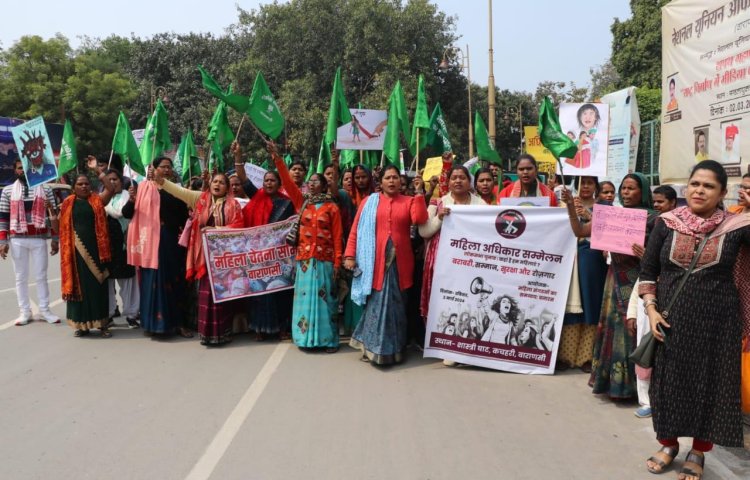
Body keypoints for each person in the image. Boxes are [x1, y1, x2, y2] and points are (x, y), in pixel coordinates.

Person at [639, 160, 750, 478]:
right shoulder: (667, 222)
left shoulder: (737, 227)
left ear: (723, 194)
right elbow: (649, 271)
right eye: (695, 184)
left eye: (709, 186)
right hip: (671, 321)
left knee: (711, 387)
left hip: (720, 324)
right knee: (667, 386)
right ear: (687, 187)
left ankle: (699, 451)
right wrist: (651, 310)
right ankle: (668, 444)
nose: (700, 190)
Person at [562, 173, 655, 399]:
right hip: (614, 279)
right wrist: (569, 208)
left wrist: (646, 255)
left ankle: (637, 388)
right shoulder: (613, 214)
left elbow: (660, 254)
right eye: (623, 188)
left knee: (633, 331)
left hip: (637, 282)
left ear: (642, 192)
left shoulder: (654, 219)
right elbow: (580, 232)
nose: (625, 192)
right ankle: (613, 383)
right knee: (614, 331)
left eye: (631, 188)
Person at [344, 164, 428, 365]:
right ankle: (372, 348)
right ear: (380, 183)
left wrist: (418, 193)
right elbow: (356, 229)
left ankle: (395, 350)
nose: (392, 181)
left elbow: (419, 219)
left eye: (395, 178)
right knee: (376, 304)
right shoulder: (369, 202)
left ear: (401, 182)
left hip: (401, 263)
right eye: (388, 178)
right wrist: (349, 255)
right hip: (374, 262)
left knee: (397, 308)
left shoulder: (408, 201)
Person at [156, 171, 244, 346]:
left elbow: (239, 225)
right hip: (203, 255)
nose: (217, 185)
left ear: (227, 188)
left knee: (221, 294)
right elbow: (179, 191)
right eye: (215, 181)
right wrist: (161, 181)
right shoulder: (200, 199)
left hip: (223, 257)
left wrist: (216, 230)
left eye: (221, 182)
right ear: (210, 184)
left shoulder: (234, 205)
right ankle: (207, 334)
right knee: (206, 293)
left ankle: (222, 333)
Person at [123, 157, 191, 338]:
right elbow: (127, 213)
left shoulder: (176, 190)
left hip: (170, 241)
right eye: (163, 167)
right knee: (152, 281)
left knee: (174, 280)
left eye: (169, 167)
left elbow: (184, 217)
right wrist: (131, 200)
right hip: (149, 242)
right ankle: (153, 324)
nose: (167, 170)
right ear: (154, 169)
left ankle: (179, 323)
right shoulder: (143, 188)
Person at [237, 143, 296, 340]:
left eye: (272, 181)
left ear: (279, 184)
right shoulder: (257, 196)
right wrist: (238, 156)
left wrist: (277, 157)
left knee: (279, 291)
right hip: (258, 257)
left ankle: (281, 328)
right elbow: (243, 178)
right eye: (266, 180)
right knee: (259, 293)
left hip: (279, 258)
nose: (269, 183)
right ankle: (260, 328)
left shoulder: (287, 203)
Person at [286, 172, 343, 352]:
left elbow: (337, 236)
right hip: (304, 262)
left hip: (325, 260)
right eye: (309, 181)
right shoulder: (303, 203)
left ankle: (329, 340)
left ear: (324, 186)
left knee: (326, 301)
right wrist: (276, 158)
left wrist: (337, 262)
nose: (311, 184)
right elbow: (287, 183)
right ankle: (304, 339)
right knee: (304, 301)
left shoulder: (332, 207)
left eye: (316, 181)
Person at [419, 165, 484, 320]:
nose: (458, 181)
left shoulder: (481, 205)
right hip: (441, 262)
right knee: (442, 298)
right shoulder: (438, 203)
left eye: (462, 177)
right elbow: (424, 231)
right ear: (448, 182)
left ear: (469, 182)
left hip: (469, 260)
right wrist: (439, 218)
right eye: (454, 178)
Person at [0, 159, 60, 325]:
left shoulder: (46, 189)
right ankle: (24, 312)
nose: (24, 171)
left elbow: (54, 216)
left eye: (27, 168)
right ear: (15, 170)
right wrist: (2, 241)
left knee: (41, 276)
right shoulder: (7, 191)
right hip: (17, 239)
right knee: (20, 277)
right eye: (20, 168)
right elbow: (3, 218)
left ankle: (44, 310)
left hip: (39, 238)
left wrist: (55, 239)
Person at [558, 176, 607, 372]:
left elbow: (609, 232)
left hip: (592, 261)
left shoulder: (605, 208)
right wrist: (569, 207)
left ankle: (587, 356)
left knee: (590, 304)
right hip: (567, 260)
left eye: (589, 182)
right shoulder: (563, 205)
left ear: (596, 186)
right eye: (581, 182)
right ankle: (564, 355)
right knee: (569, 305)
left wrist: (588, 214)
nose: (585, 186)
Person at [59, 171, 115, 337]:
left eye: (86, 184)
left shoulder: (97, 200)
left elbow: (111, 189)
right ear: (73, 188)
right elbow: (60, 229)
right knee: (80, 288)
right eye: (80, 184)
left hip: (98, 252)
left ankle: (102, 324)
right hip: (75, 253)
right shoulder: (68, 203)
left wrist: (99, 171)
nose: (84, 186)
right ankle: (81, 325)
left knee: (98, 287)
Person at [103, 169, 139, 328]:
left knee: (128, 283)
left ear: (120, 180)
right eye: (109, 179)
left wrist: (132, 200)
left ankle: (131, 315)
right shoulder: (101, 199)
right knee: (108, 282)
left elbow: (128, 214)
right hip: (107, 246)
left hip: (125, 244)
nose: (112, 182)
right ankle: (109, 314)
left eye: (115, 179)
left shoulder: (129, 197)